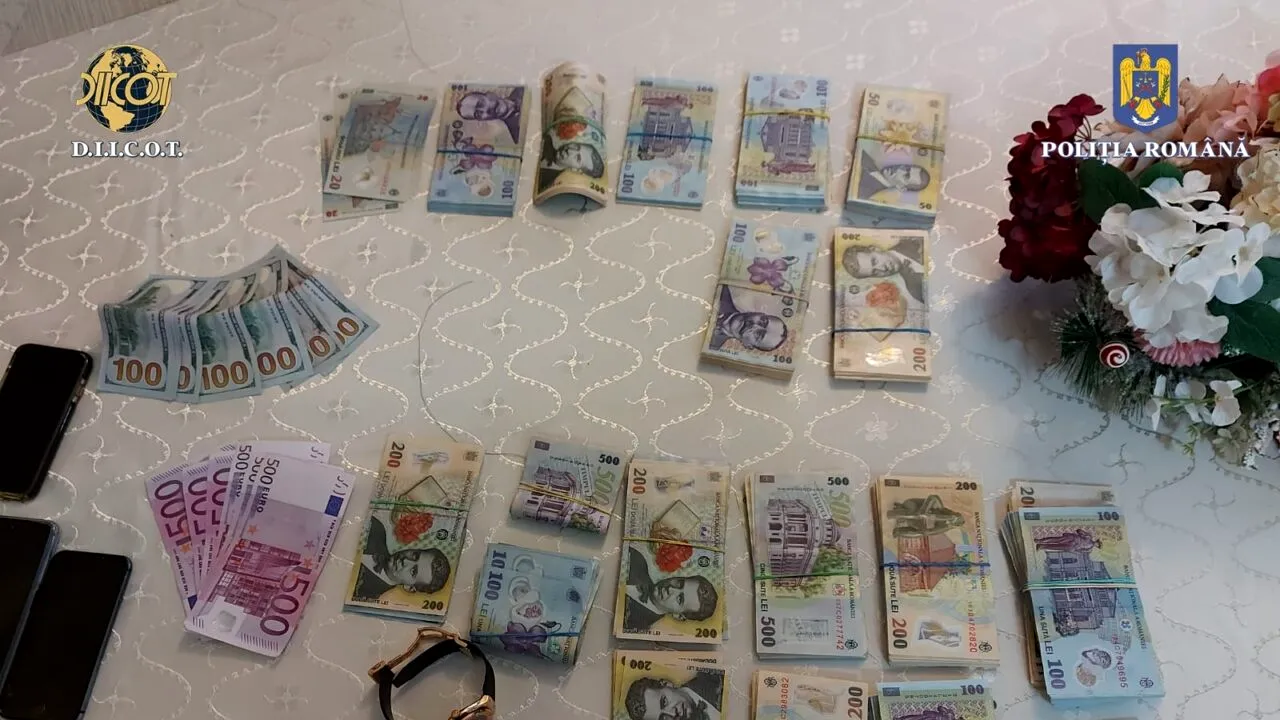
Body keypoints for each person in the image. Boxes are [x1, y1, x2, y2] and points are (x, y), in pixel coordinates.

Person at [352, 516, 451, 600]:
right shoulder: (376, 529)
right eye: (415, 555)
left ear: (409, 588)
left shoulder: (364, 595)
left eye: (413, 571)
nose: (406, 561)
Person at [622, 546, 718, 631]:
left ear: (678, 616)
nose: (671, 589)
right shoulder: (637, 559)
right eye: (679, 583)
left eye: (679, 599)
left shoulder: (634, 626)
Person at [840, 237, 926, 306]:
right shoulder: (915, 290)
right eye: (875, 272)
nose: (882, 268)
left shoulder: (913, 239)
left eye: (874, 261)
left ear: (875, 249)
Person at [708, 285, 788, 353]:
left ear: (748, 345)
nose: (754, 325)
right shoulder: (720, 290)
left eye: (759, 335)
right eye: (762, 321)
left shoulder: (711, 346)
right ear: (759, 312)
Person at [624, 671, 724, 720]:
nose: (672, 714)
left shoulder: (716, 677)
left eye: (664, 702)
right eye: (663, 718)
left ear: (667, 684)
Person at [456, 88, 525, 142]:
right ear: (482, 120)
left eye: (481, 103)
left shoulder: (522, 90)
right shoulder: (518, 135)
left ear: (490, 94)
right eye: (478, 114)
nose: (486, 110)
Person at [855, 150, 932, 198]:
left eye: (906, 176)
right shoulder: (866, 157)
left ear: (901, 188)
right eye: (907, 167)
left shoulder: (862, 194)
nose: (900, 169)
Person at [886, 494, 965, 538]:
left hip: (916, 521)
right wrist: (924, 512)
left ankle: (898, 532)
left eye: (953, 521)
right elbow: (933, 497)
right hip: (912, 505)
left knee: (921, 533)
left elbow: (929, 532)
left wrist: (923, 527)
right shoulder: (940, 508)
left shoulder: (945, 526)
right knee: (917, 514)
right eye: (954, 516)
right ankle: (893, 514)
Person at [1034, 528, 1103, 553]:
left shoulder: (1089, 548)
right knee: (1057, 540)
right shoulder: (1089, 537)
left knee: (1056, 547)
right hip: (1073, 538)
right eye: (1098, 543)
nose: (1096, 545)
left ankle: (1041, 546)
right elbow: (1079, 531)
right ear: (1096, 541)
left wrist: (1074, 550)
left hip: (1072, 547)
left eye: (1097, 546)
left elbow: (1080, 551)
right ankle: (1040, 541)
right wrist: (1081, 532)